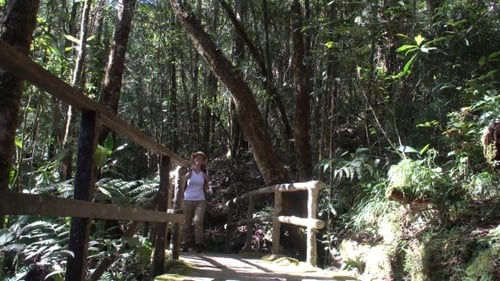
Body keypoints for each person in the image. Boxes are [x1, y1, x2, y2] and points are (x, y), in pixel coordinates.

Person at [182, 151, 210, 253]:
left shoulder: (204, 174)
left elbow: (206, 188)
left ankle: (199, 244)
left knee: (198, 221)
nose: (198, 160)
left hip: (200, 200)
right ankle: (185, 243)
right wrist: (185, 178)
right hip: (188, 199)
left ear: (203, 161)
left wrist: (207, 181)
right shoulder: (189, 172)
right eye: (197, 158)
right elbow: (181, 185)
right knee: (186, 223)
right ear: (194, 159)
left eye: (201, 158)